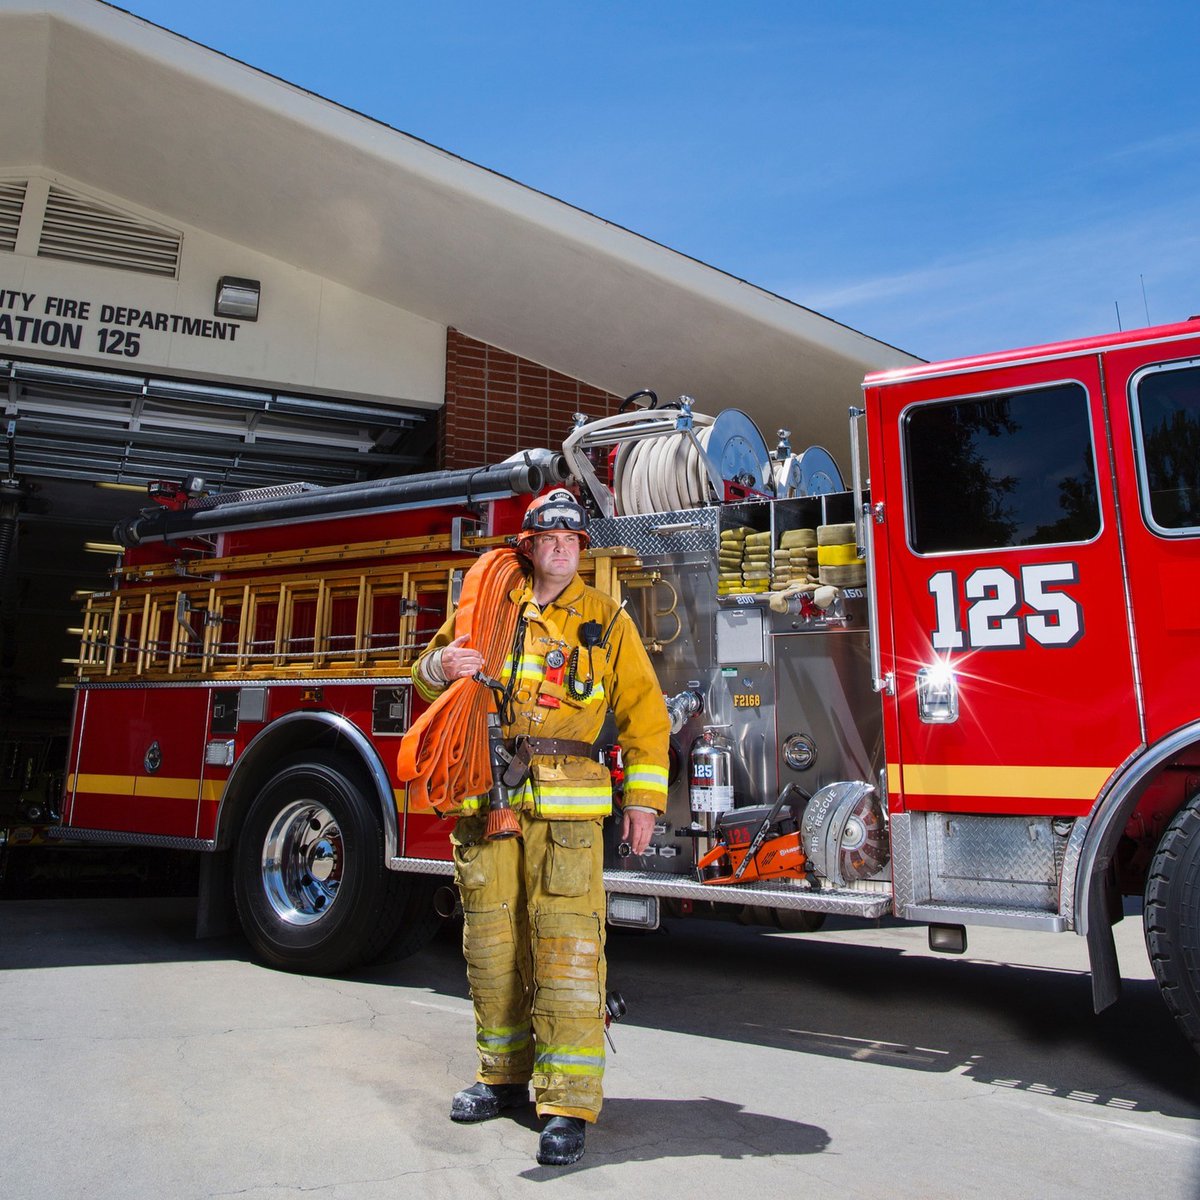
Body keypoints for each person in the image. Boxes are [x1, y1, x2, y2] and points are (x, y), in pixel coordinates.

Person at [412, 487, 669, 1167]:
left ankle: (566, 1104)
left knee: (566, 954)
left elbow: (646, 713)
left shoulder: (606, 619)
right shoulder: (485, 606)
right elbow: (425, 675)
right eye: (548, 540)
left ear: (580, 549)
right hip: (487, 800)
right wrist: (444, 666)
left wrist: (644, 802)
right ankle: (500, 1077)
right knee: (491, 945)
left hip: (567, 819)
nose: (560, 550)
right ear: (527, 546)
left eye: (571, 541)